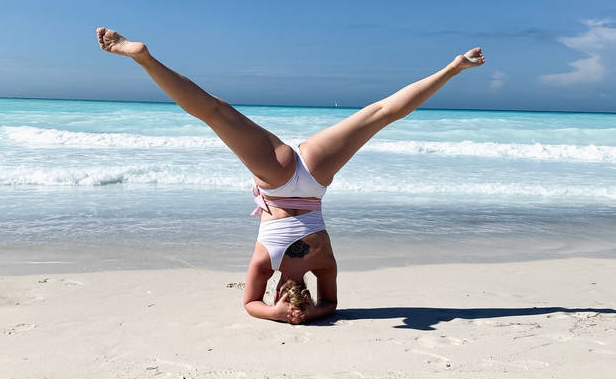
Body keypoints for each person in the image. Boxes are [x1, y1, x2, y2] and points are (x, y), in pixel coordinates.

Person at [96, 28, 485, 325]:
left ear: (305, 291)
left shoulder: (323, 264)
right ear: (280, 289)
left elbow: (331, 305)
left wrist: (310, 312)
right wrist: (275, 314)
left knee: (380, 113)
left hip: (314, 179)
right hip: (279, 180)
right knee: (214, 112)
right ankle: (144, 59)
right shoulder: (266, 263)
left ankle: (454, 67)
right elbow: (250, 304)